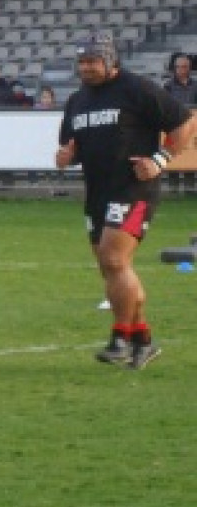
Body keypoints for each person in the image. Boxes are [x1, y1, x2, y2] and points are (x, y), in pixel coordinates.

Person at [56, 32, 195, 370]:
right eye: (82, 62)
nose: (86, 68)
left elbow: (186, 123)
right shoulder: (77, 100)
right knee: (113, 269)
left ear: (110, 59)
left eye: (92, 61)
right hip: (98, 192)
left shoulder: (137, 89)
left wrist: (160, 161)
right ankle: (143, 339)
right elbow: (71, 149)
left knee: (114, 259)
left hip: (133, 188)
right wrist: (64, 157)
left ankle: (119, 338)